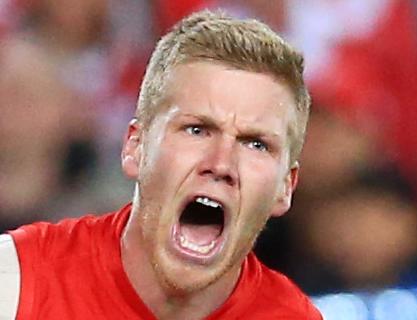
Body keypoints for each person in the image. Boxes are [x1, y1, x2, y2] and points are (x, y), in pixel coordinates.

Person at [0, 10, 322, 319]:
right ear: (135, 146)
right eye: (197, 130)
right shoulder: (15, 284)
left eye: (256, 144)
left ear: (285, 187)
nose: (221, 164)